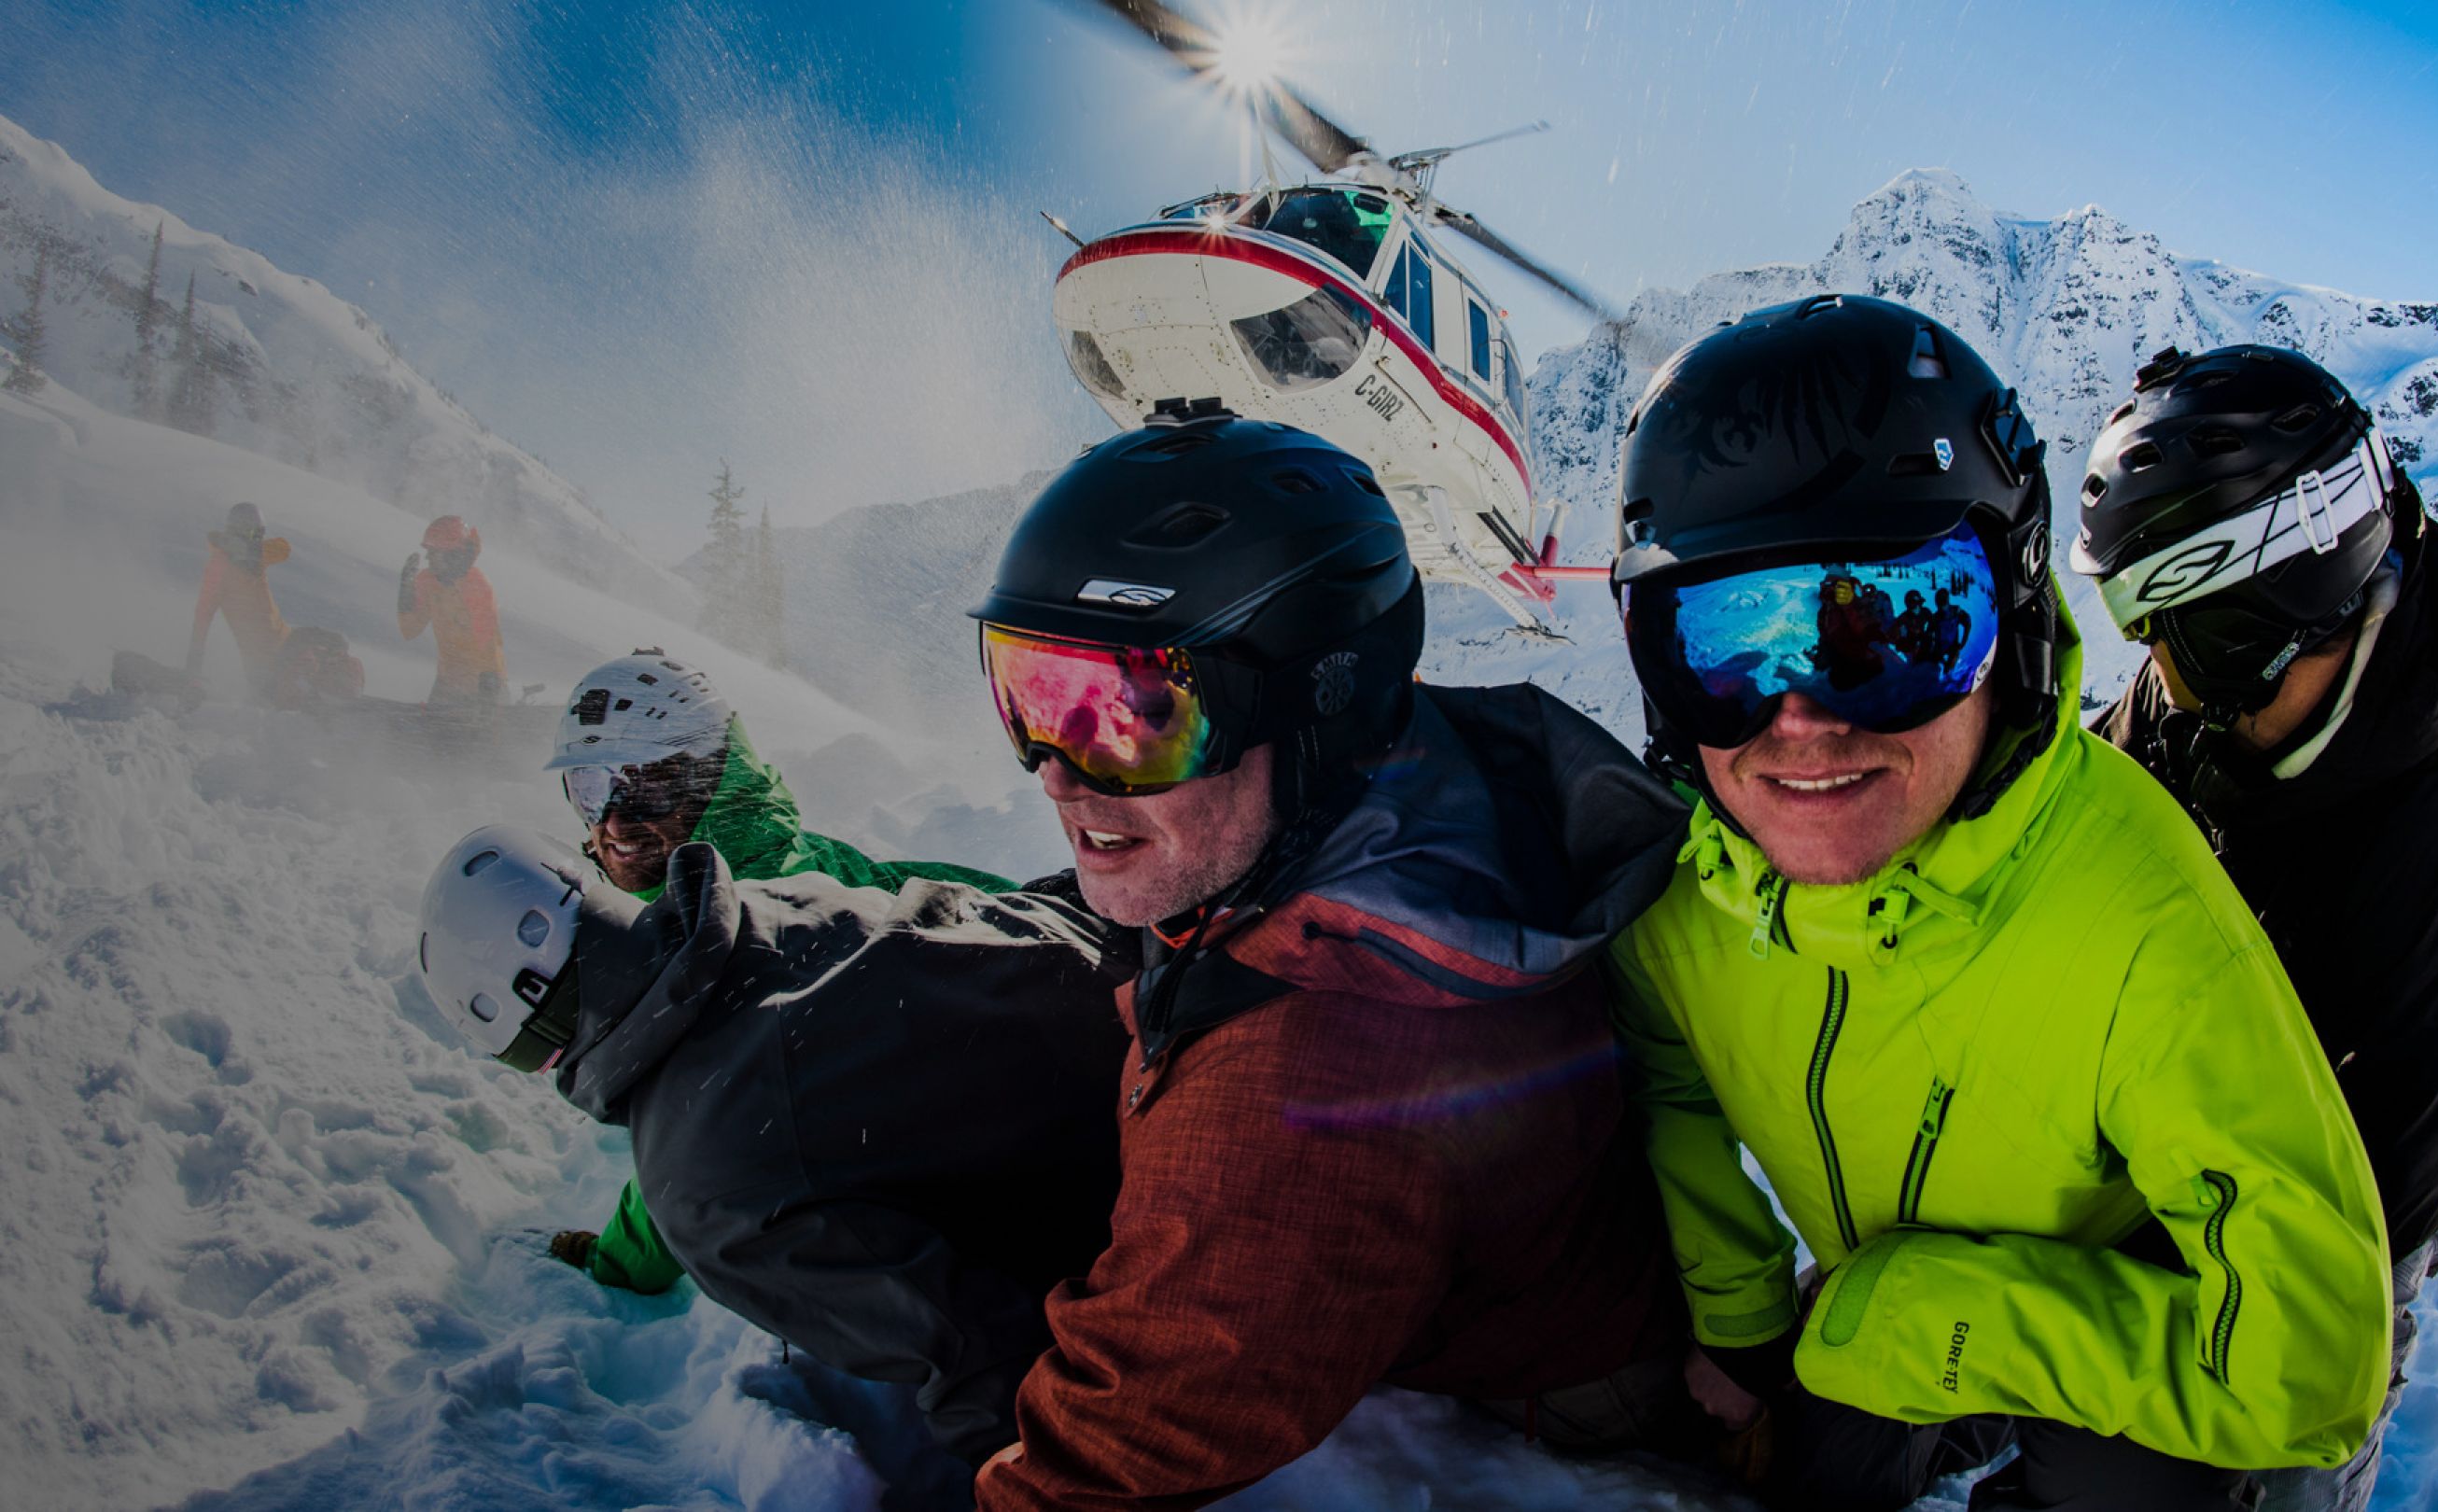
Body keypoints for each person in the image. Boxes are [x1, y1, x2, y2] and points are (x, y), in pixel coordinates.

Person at [1603, 294, 2392, 1512]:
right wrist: (1747, 1325)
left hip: (2114, 1299)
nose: (1804, 718)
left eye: (1900, 625)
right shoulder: (1683, 897)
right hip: (1866, 1305)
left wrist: (1929, 1314)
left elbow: (2316, 1361)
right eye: (1727, 638)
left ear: (2012, 622)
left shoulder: (2146, 924)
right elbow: (1666, 1069)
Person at [966, 412, 1692, 1510]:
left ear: (1318, 709)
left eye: (1135, 716)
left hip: (1546, 1414)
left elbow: (1104, 1458)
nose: (1060, 777)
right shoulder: (1389, 787)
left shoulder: (1309, 1092)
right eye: (1034, 698)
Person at [2074, 344, 2438, 1511]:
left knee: (2296, 1423)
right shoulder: (2229, 685)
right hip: (2288, 930)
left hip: (2392, 1091)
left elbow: (2355, 1216)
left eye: (2212, 651)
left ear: (2327, 595)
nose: (2172, 690)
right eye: (2153, 636)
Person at [413, 823, 1128, 1466]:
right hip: (1156, 981)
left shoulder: (705, 1182)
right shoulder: (770, 902)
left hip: (1173, 1181)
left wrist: (1042, 1485)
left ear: (533, 1033)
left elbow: (980, 1352)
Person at [541, 648, 1018, 1293]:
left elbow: (699, 1144)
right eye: (591, 789)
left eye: (648, 785)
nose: (615, 822)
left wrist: (618, 1263)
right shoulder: (754, 854)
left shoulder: (745, 930)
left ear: (713, 778)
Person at [398, 514, 509, 706]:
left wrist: (488, 688)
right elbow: (410, 630)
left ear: (451, 554)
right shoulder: (427, 581)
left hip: (484, 685)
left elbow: (487, 641)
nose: (427, 557)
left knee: (481, 734)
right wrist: (406, 595)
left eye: (434, 551)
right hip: (447, 684)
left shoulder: (477, 587)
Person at [187, 501, 291, 696]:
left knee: (329, 647)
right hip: (261, 660)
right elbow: (202, 618)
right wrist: (193, 667)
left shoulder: (255, 557)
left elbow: (284, 549)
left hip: (285, 643)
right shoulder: (219, 567)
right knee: (291, 693)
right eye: (254, 535)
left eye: (261, 535)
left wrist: (251, 551)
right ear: (238, 532)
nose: (258, 540)